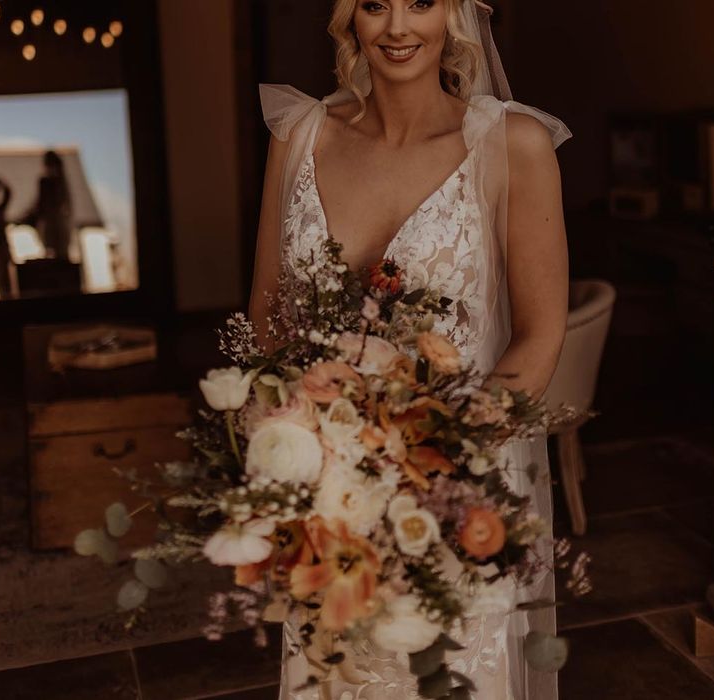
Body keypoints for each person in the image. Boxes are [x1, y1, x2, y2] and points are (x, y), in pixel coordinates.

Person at [250, 1, 571, 697]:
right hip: (329, 490)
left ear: (457, 13)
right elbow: (267, 327)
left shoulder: (512, 145)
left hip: (454, 493)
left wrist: (443, 464)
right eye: (374, 4)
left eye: (421, 2)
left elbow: (541, 331)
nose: (398, 26)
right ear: (349, 19)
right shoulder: (298, 138)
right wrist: (283, 449)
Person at [20, 150, 73, 261]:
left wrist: (25, 218)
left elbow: (40, 206)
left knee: (53, 257)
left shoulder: (46, 183)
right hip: (58, 228)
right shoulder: (61, 184)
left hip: (52, 228)